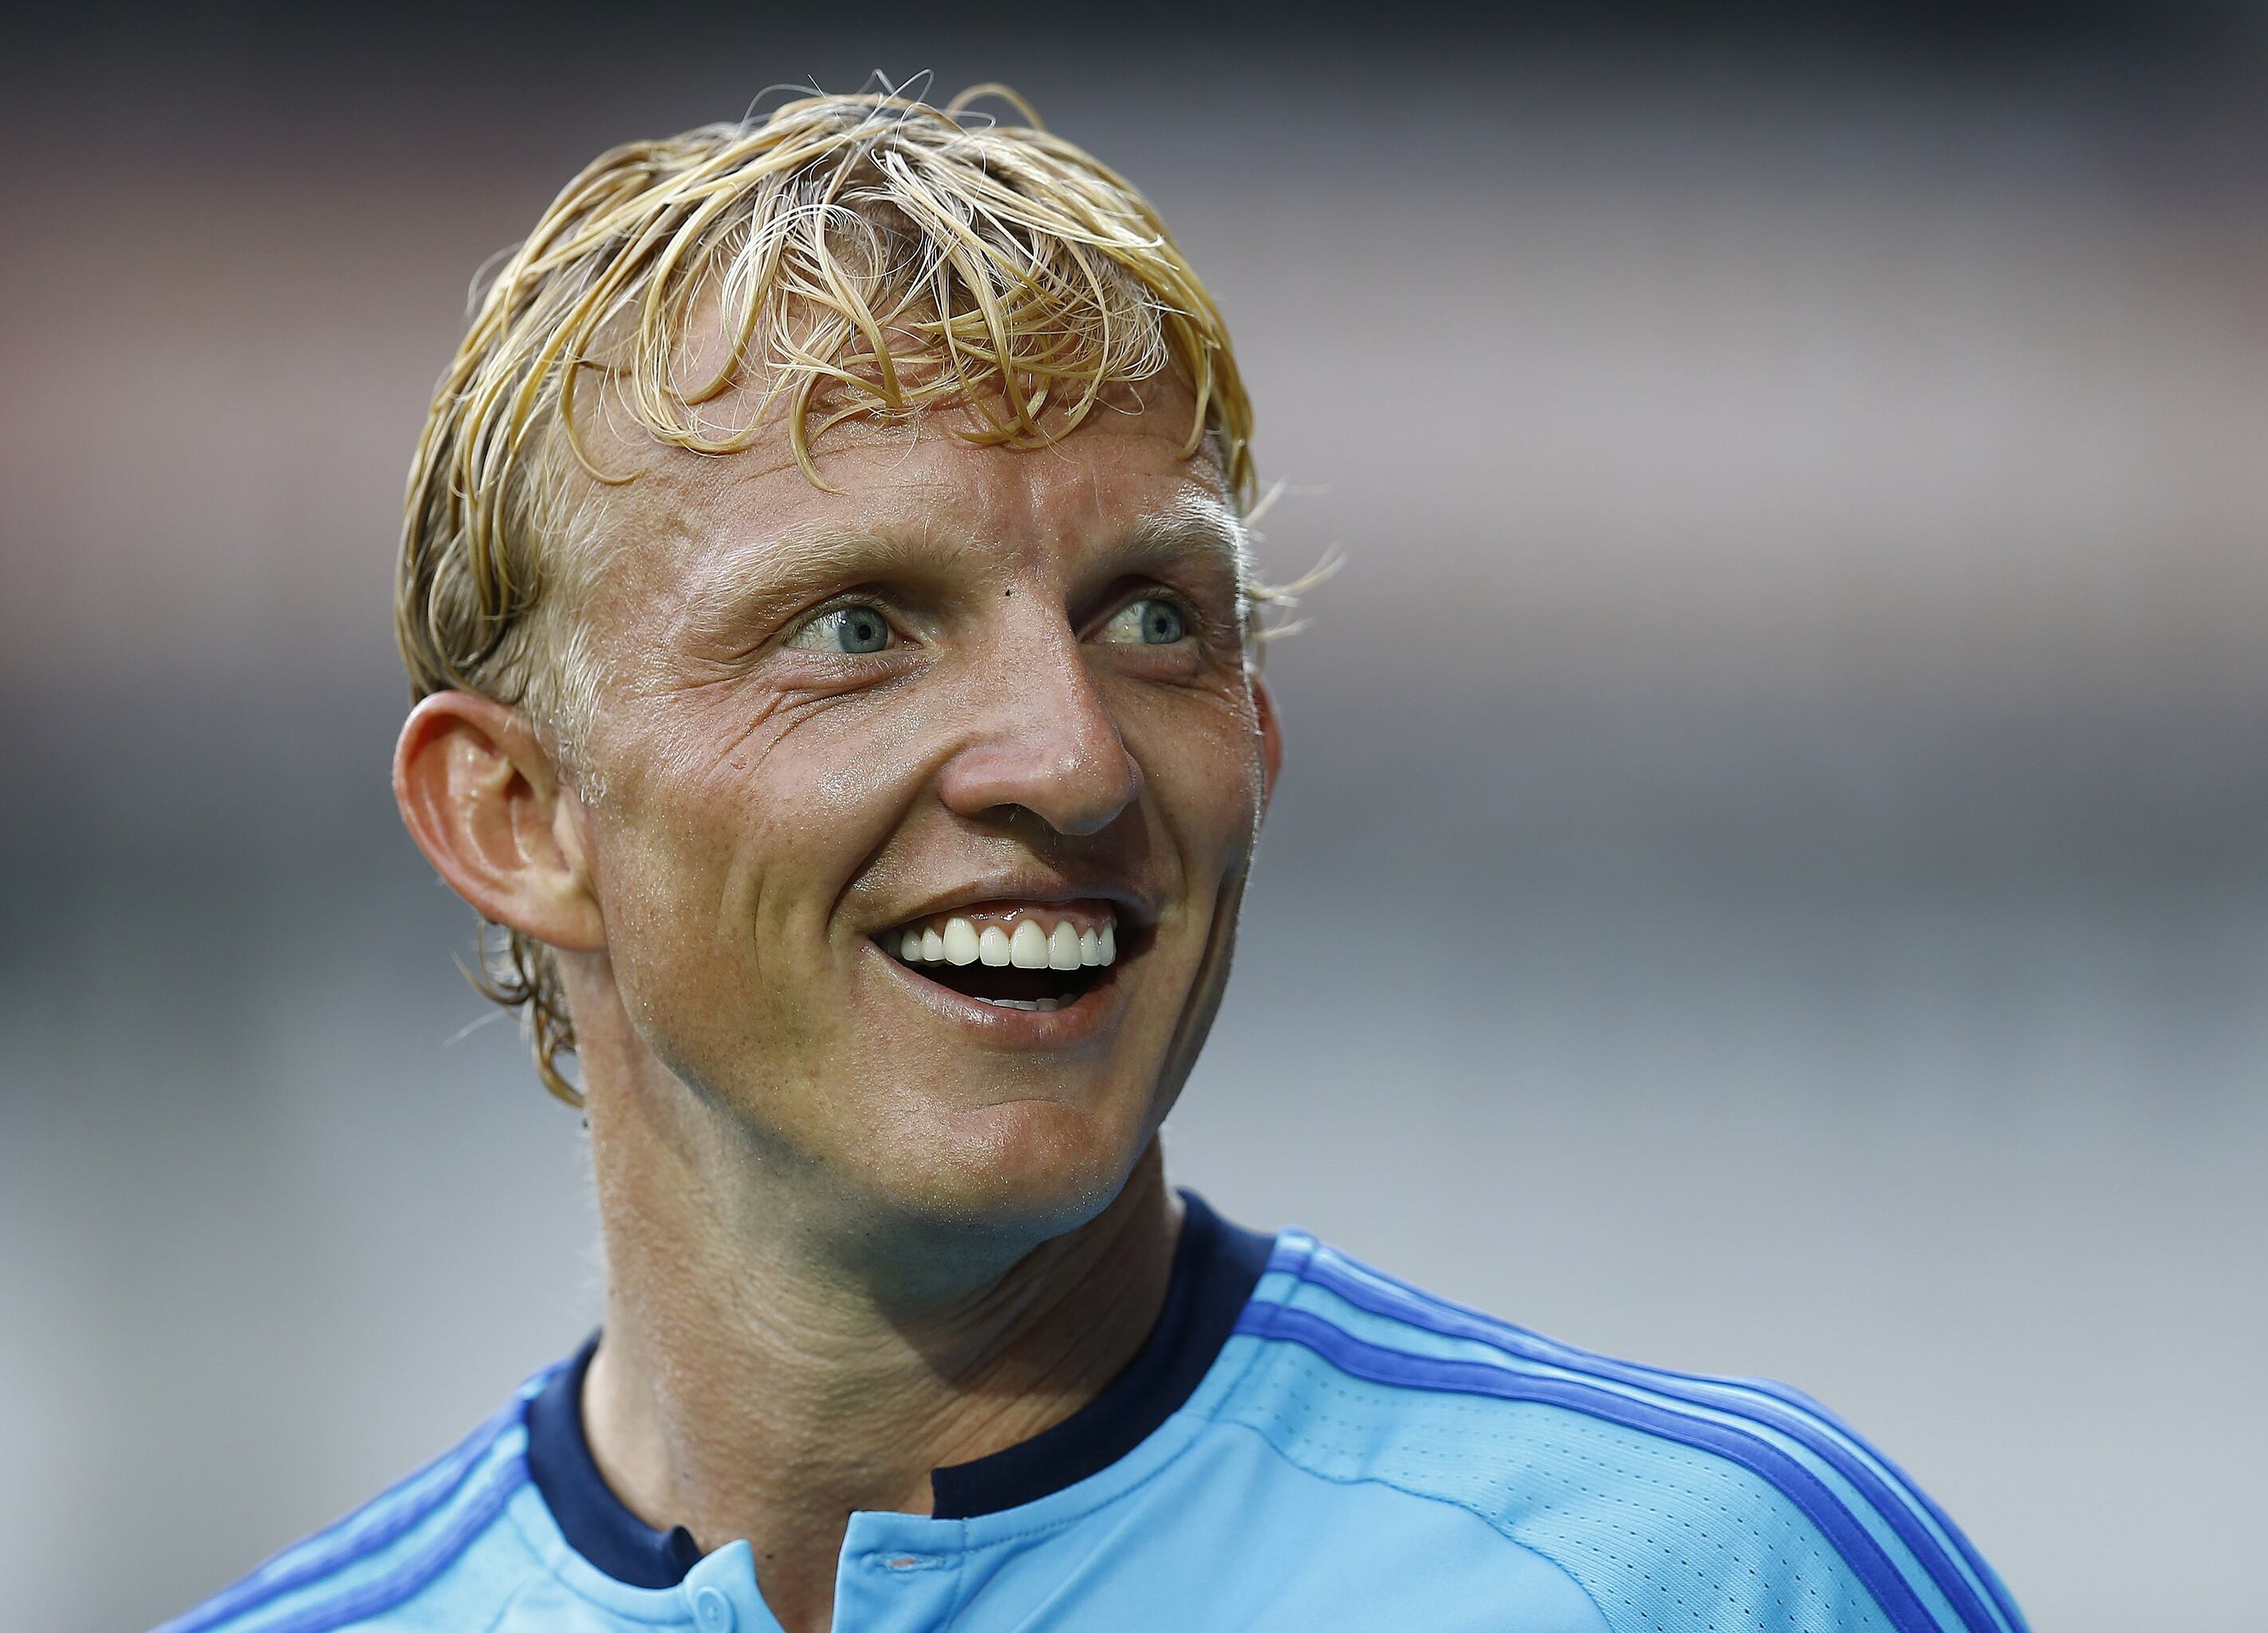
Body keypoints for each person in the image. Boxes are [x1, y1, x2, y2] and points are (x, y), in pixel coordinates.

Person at [160, 87, 2025, 1633]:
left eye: (1151, 619)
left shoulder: (1710, 1584)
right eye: (857, 630)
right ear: (517, 816)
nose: (1071, 757)